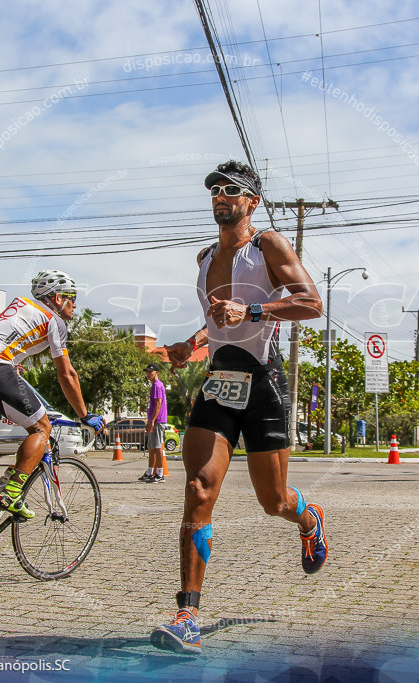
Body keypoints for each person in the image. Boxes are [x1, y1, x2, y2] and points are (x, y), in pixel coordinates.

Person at [150, 160, 326, 655]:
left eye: (232, 191)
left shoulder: (268, 245)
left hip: (264, 381)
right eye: (215, 192)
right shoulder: (205, 256)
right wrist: (192, 342)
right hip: (219, 380)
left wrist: (253, 310)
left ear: (252, 202)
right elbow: (219, 323)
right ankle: (188, 613)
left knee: (273, 503)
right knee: (199, 489)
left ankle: (308, 517)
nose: (221, 197)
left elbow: (311, 302)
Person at [0, 270, 106, 546]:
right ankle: (11, 491)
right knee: (41, 428)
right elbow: (67, 375)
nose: (75, 305)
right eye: (72, 298)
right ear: (57, 298)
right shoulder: (54, 320)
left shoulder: (19, 307)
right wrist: (84, 414)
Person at [139, 362, 168, 483]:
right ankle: (150, 472)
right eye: (147, 372)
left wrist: (152, 420)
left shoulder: (157, 385)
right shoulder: (154, 385)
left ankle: (160, 474)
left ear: (156, 372)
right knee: (151, 447)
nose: (148, 374)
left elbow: (158, 403)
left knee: (157, 448)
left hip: (157, 420)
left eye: (150, 372)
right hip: (154, 420)